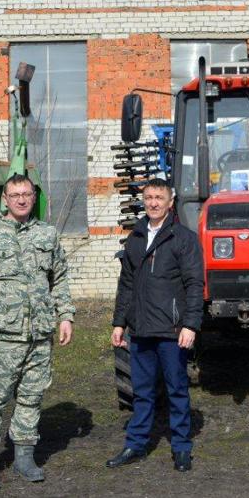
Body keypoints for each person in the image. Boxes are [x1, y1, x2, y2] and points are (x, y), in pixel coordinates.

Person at [0, 173, 75, 492]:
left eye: (27, 194)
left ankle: (25, 456)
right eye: (15, 195)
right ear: (5, 198)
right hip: (2, 335)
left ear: (33, 197)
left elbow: (60, 278)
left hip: (39, 333)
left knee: (31, 397)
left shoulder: (47, 234)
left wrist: (65, 315)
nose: (22, 199)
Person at [107, 177, 204, 472]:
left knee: (176, 390)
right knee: (142, 391)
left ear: (170, 202)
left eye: (159, 198)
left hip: (172, 330)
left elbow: (194, 285)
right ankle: (135, 444)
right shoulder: (135, 237)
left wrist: (190, 325)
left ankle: (182, 448)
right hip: (141, 329)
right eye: (148, 197)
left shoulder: (183, 238)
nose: (153, 203)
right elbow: (126, 285)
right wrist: (119, 323)